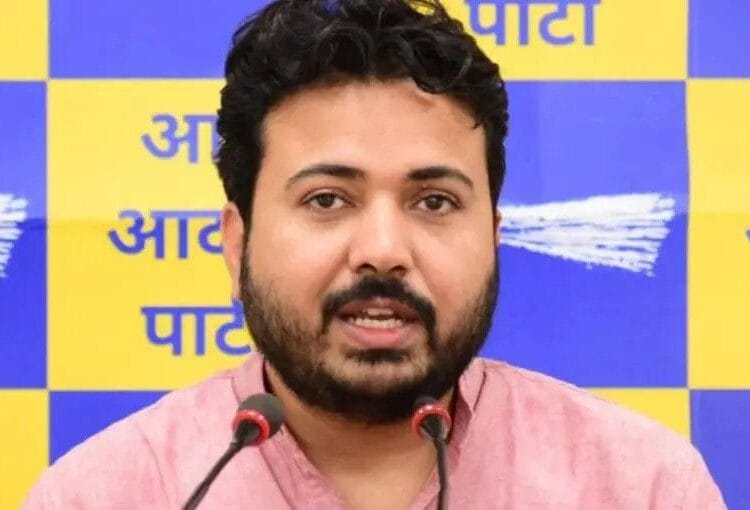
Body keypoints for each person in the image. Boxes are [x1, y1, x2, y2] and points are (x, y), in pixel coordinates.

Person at [25, 0, 725, 508]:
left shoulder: (638, 486)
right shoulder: (109, 494)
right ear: (237, 244)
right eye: (328, 199)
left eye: (434, 202)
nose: (384, 252)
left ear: (494, 238)